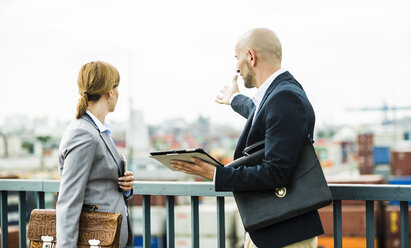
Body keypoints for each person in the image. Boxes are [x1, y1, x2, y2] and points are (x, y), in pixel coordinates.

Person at [171, 28, 323, 247]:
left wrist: (217, 175)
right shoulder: (280, 94)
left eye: (237, 57)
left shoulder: (285, 98)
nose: (236, 67)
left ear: (251, 57)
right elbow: (259, 112)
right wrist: (234, 99)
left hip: (285, 234)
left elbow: (276, 173)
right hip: (275, 227)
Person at [56, 61, 134, 248]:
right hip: (95, 241)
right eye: (116, 87)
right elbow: (69, 200)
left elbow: (98, 182)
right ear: (109, 92)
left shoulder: (97, 130)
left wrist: (126, 186)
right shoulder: (83, 133)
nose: (117, 93)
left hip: (106, 238)